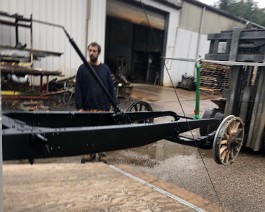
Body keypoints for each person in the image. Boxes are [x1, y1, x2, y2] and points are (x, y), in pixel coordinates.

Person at [75, 42, 117, 163]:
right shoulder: (83, 69)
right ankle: (90, 153)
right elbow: (78, 89)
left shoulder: (105, 69)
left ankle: (102, 153)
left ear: (98, 53)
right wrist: (79, 107)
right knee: (88, 131)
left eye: (94, 50)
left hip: (103, 107)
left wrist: (114, 105)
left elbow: (111, 89)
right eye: (90, 50)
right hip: (87, 107)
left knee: (102, 131)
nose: (91, 53)